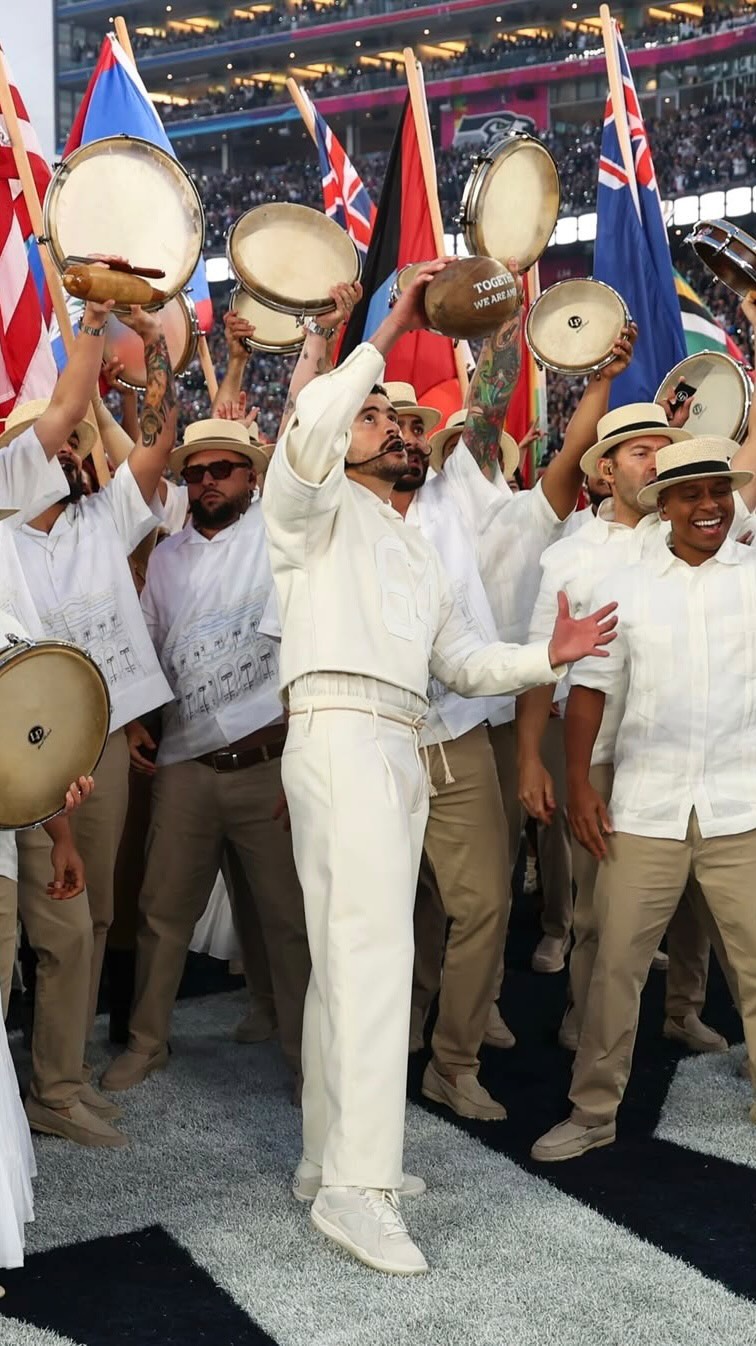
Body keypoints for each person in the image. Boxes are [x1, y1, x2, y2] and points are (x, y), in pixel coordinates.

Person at [262, 259, 618, 1276]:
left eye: (408, 421)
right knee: (374, 961)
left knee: (351, 958)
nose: (398, 428)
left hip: (399, 739)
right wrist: (388, 326)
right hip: (339, 730)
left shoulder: (417, 546)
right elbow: (311, 434)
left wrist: (551, 652)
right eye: (380, 419)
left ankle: (330, 1159)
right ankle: (359, 1189)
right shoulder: (308, 511)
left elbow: (464, 660)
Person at [532, 436, 756, 1162]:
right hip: (646, 810)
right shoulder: (625, 585)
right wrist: (576, 785)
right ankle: (593, 1111)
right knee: (613, 973)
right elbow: (592, 691)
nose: (709, 506)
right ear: (663, 505)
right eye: (690, 494)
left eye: (718, 492)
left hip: (741, 810)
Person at [100, 413, 310, 1095]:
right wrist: (133, 721)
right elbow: (146, 649)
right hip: (186, 767)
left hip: (270, 764)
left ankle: (304, 1050)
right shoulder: (164, 558)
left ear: (253, 473)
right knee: (162, 913)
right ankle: (146, 1043)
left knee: (285, 918)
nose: (208, 482)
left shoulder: (280, 535)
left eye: (223, 469)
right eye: (195, 473)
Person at [8, 302, 177, 1147]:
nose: (74, 453)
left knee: (92, 916)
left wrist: (145, 365)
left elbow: (158, 441)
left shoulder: (101, 517)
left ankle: (59, 1074)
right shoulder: (4, 545)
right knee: (60, 926)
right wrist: (90, 328)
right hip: (30, 749)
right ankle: (52, 1088)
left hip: (103, 742)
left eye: (77, 446)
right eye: (58, 446)